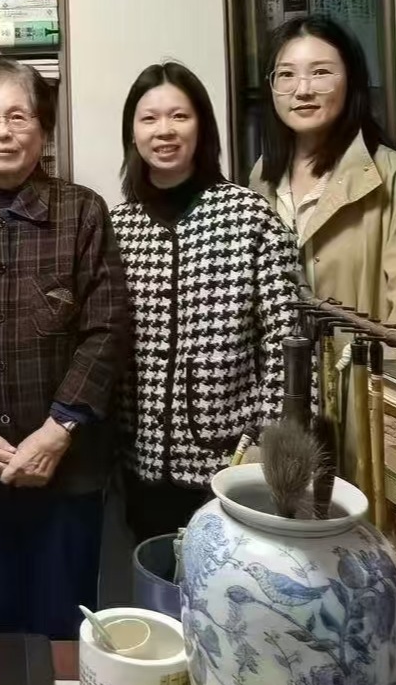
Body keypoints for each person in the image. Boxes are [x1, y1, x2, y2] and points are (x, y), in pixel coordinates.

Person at [0, 59, 130, 641]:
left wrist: (58, 429)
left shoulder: (83, 211)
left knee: (64, 624)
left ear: (44, 130)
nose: (2, 132)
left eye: (18, 117)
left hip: (69, 468)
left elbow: (107, 329)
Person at [249, 16, 396, 468]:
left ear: (352, 80)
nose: (303, 89)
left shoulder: (394, 177)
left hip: (361, 397)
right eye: (286, 75)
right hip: (281, 397)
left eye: (321, 72)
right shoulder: (262, 176)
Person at [110, 62, 299, 541]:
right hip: (139, 459)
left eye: (180, 116)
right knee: (155, 576)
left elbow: (287, 341)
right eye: (149, 118)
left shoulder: (249, 216)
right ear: (132, 133)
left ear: (203, 127)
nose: (164, 130)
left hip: (232, 460)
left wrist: (270, 441)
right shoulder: (116, 226)